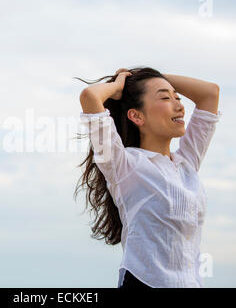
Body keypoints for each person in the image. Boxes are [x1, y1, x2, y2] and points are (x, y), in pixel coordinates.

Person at [74, 67, 222, 288]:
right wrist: (119, 86)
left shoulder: (187, 163)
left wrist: (151, 78)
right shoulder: (123, 165)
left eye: (177, 97)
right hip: (144, 283)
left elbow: (210, 93)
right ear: (136, 115)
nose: (180, 105)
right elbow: (90, 96)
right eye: (165, 98)